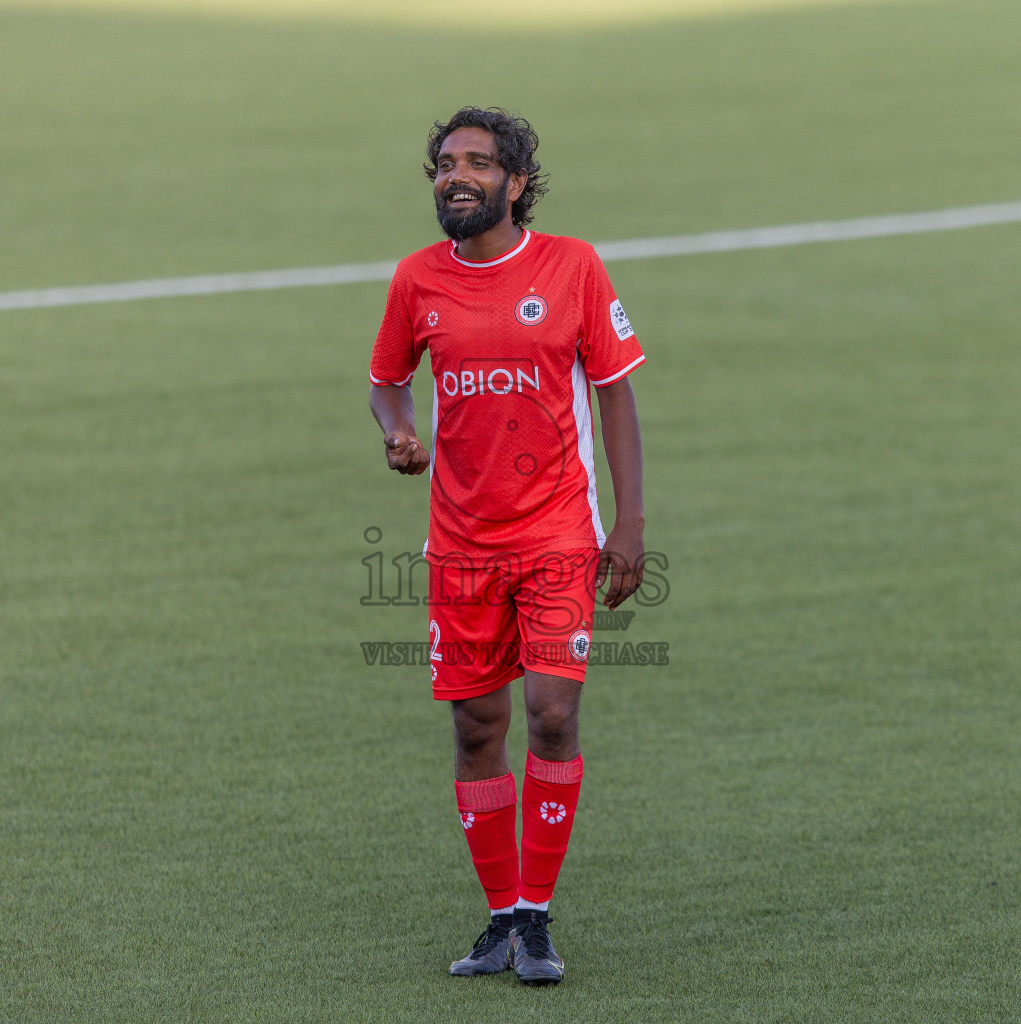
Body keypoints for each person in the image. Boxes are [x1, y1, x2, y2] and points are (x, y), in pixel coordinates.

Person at [368, 106, 646, 986]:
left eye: (479, 163)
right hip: (459, 543)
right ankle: (498, 918)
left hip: (559, 530)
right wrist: (398, 433)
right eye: (446, 162)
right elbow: (385, 382)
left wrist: (629, 524)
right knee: (477, 723)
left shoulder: (572, 266)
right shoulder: (417, 280)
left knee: (555, 716)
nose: (457, 175)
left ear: (516, 183)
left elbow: (614, 395)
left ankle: (536, 913)